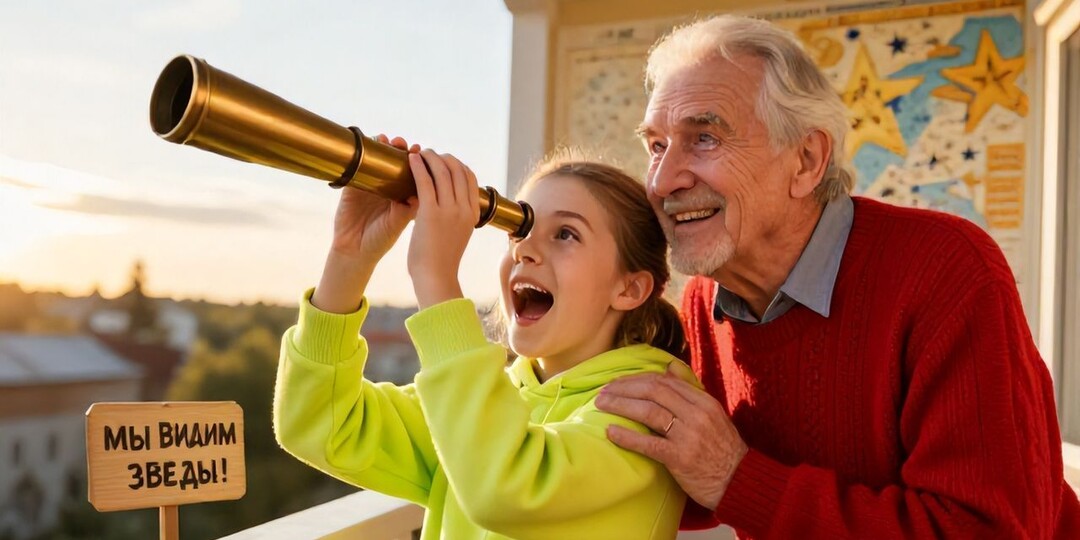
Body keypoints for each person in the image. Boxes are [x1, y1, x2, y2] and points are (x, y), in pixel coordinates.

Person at [594, 15, 1080, 538]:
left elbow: (988, 530)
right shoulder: (706, 297)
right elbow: (685, 483)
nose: (663, 182)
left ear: (805, 160)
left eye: (706, 138)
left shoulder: (947, 270)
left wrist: (735, 477)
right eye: (657, 147)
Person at [273, 138, 696, 539]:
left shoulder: (652, 411)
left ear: (629, 289)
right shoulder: (490, 401)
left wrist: (436, 277)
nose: (524, 252)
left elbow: (506, 487)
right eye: (519, 230)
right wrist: (349, 257)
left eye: (565, 234)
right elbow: (319, 425)